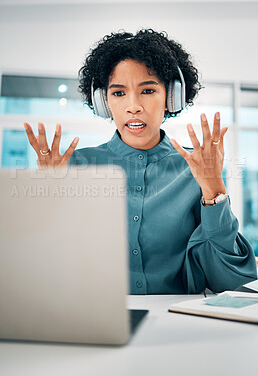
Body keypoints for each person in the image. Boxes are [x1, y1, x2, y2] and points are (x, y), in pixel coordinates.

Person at [24, 29, 257, 295]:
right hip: (95, 318)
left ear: (171, 98)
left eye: (147, 90)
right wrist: (49, 197)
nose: (133, 106)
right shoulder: (75, 166)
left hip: (175, 320)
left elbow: (234, 284)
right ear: (103, 103)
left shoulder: (194, 167)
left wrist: (214, 191)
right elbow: (46, 269)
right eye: (119, 93)